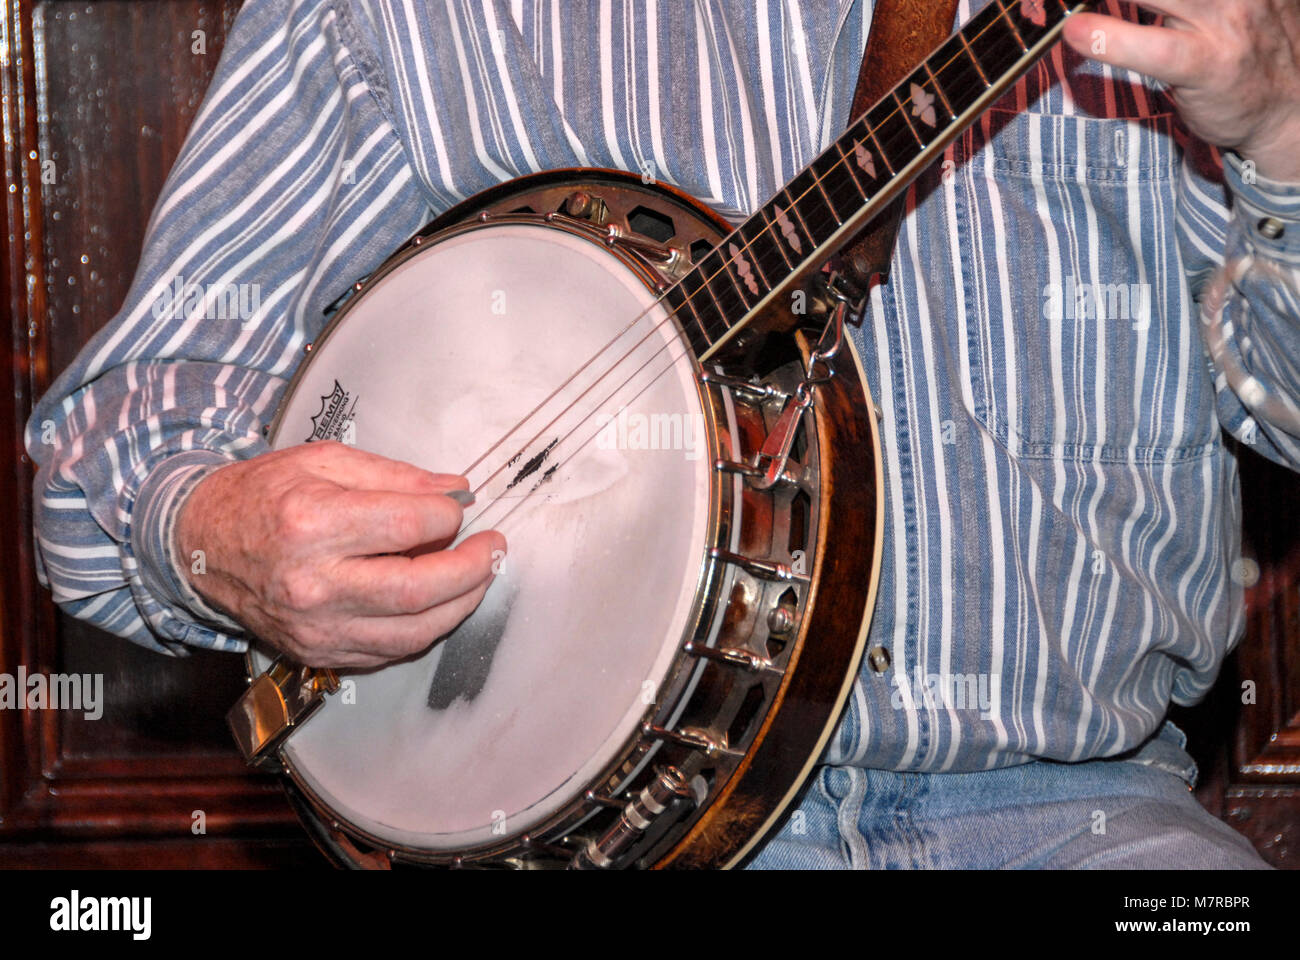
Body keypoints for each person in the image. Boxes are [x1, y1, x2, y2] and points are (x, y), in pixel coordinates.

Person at [25, 0, 1299, 868]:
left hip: (1088, 817)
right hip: (583, 846)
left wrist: (1283, 134)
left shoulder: (1189, 22)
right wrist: (213, 530)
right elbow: (107, 453)